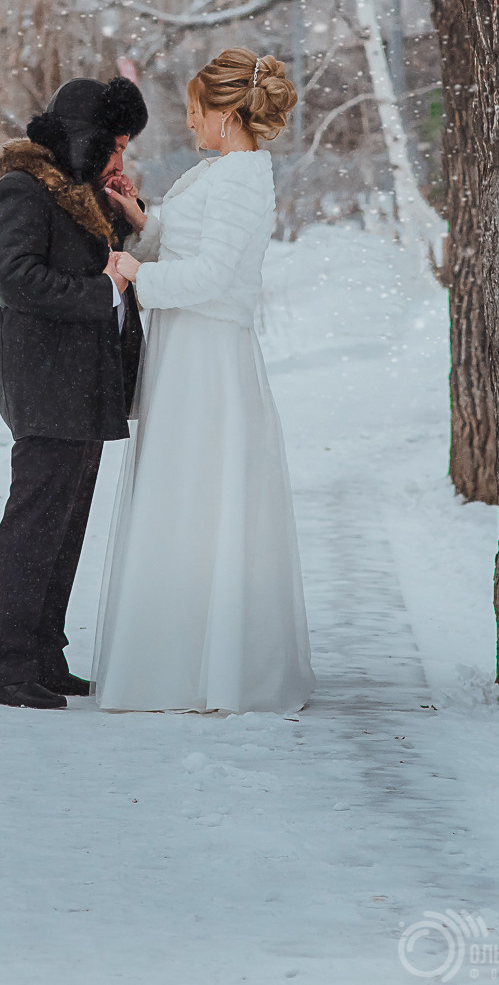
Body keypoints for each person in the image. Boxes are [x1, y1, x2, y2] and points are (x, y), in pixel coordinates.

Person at [93, 49, 315, 715]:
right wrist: (143, 223)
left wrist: (134, 273)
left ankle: (205, 667)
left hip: (209, 356)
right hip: (185, 349)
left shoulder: (243, 176)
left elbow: (215, 276)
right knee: (183, 494)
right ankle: (180, 657)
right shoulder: (225, 170)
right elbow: (195, 247)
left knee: (202, 495)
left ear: (224, 112)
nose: (190, 124)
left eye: (195, 112)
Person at [0, 74, 148, 710]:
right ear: (87, 138)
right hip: (45, 382)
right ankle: (7, 669)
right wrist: (106, 286)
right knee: (35, 524)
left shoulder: (79, 194)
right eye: (117, 146)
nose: (121, 160)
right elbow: (18, 282)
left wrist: (123, 224)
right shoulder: (19, 193)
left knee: (65, 527)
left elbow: (92, 267)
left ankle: (46, 656)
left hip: (83, 383)